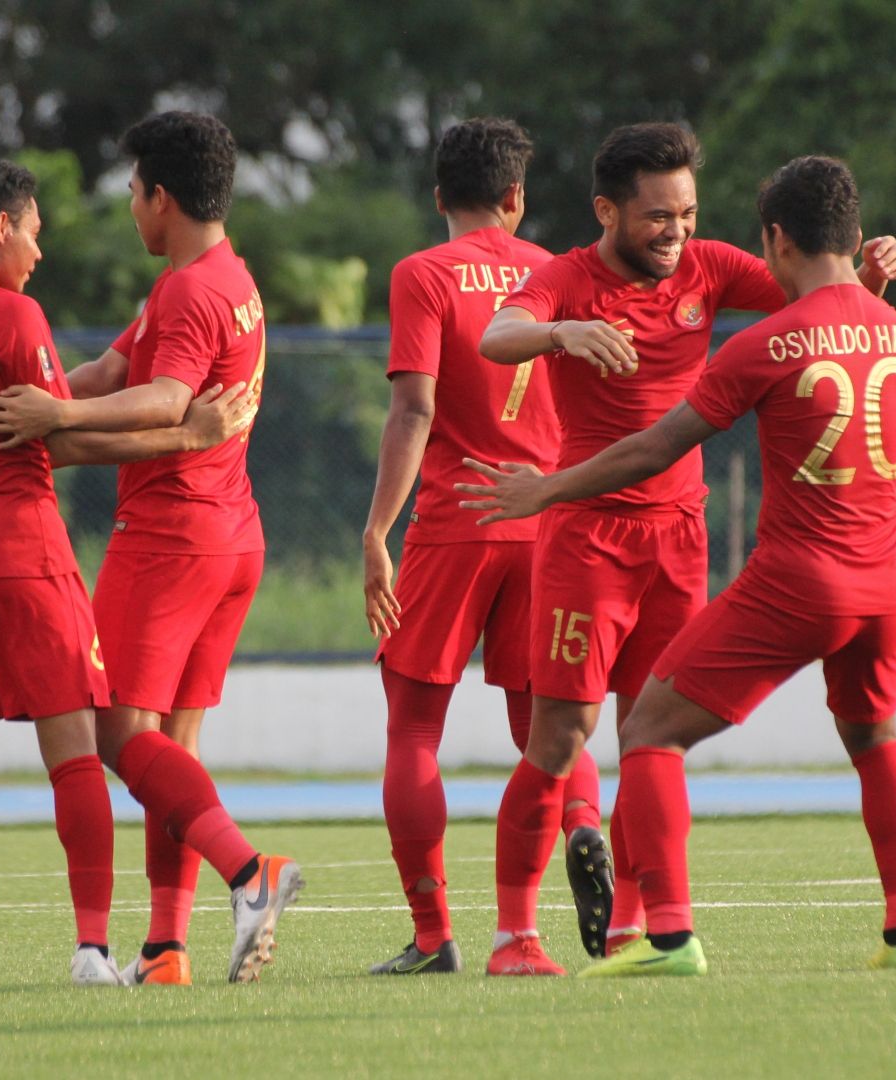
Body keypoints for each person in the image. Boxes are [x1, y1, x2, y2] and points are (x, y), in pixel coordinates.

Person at [460, 154, 896, 977]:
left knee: (645, 733)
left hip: (677, 537)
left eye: (688, 212)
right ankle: (515, 935)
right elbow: (493, 337)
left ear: (770, 237)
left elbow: (818, 329)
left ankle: (637, 925)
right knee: (559, 740)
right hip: (588, 537)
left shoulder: (713, 267)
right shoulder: (564, 277)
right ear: (607, 211)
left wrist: (867, 281)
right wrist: (561, 333)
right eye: (659, 215)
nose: (678, 232)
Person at [0, 156, 246, 992]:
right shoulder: (12, 314)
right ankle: (95, 950)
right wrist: (187, 434)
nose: (39, 248)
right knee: (77, 751)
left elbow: (54, 402)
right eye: (33, 228)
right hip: (22, 557)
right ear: (0, 224)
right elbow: (58, 439)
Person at [0, 111, 302, 986]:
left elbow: (161, 397)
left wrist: (58, 420)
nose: (130, 208)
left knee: (117, 733)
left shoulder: (191, 291)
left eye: (131, 192)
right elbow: (116, 372)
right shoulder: (217, 277)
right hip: (230, 535)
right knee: (172, 756)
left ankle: (249, 874)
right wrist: (37, 401)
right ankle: (164, 949)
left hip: (172, 538)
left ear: (161, 195)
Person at [360, 118, 606, 976]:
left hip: (458, 523)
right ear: (516, 198)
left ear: (439, 199)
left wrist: (377, 532)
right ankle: (550, 887)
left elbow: (414, 410)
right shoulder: (557, 273)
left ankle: (433, 938)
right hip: (551, 519)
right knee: (548, 732)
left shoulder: (421, 274)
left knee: (413, 732)